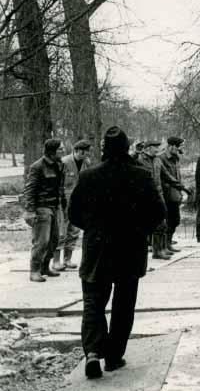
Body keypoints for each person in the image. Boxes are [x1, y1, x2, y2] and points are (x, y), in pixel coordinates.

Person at [68, 125, 165, 379]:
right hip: (130, 249)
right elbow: (158, 212)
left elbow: (73, 213)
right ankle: (113, 356)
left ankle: (92, 353)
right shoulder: (141, 175)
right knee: (124, 305)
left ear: (104, 149)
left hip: (96, 248)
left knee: (93, 302)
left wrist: (92, 229)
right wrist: (140, 231)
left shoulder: (88, 176)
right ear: (126, 148)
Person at [22, 139, 66, 282]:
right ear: (52, 152)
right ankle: (34, 270)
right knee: (42, 241)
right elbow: (30, 189)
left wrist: (62, 205)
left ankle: (45, 267)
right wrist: (30, 210)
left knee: (53, 240)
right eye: (60, 149)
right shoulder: (37, 166)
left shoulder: (59, 165)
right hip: (41, 207)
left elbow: (60, 188)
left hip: (54, 206)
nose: (63, 151)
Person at [53, 139, 92, 271]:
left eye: (87, 152)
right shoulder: (63, 162)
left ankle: (67, 259)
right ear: (76, 151)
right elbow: (58, 184)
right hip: (64, 201)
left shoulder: (87, 163)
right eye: (83, 152)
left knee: (74, 230)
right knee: (61, 231)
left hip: (79, 201)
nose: (85, 155)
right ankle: (56, 261)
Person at [135, 139, 170, 260]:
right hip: (143, 197)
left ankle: (159, 250)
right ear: (148, 148)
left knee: (161, 223)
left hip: (158, 195)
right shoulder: (139, 160)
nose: (158, 149)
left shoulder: (158, 160)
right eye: (155, 147)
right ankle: (142, 252)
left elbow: (167, 176)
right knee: (143, 225)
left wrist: (181, 187)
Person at [159, 136, 189, 252]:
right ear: (171, 146)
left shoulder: (176, 159)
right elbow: (164, 177)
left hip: (175, 193)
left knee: (175, 220)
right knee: (167, 221)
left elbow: (177, 176)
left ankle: (168, 243)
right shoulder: (161, 159)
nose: (180, 150)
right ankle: (164, 246)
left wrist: (181, 190)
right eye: (178, 147)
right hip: (166, 194)